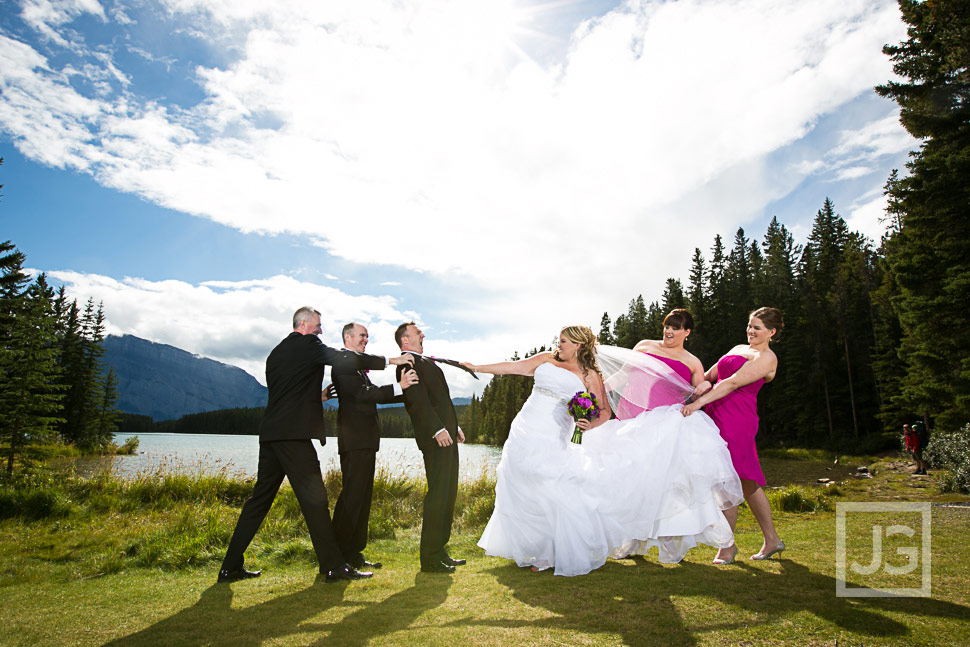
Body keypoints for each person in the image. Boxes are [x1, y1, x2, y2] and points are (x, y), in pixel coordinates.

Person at [467, 325, 743, 576]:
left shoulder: (589, 375)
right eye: (559, 340)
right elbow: (512, 367)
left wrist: (587, 425)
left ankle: (549, 549)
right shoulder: (545, 359)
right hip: (526, 427)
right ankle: (528, 546)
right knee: (519, 478)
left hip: (555, 432)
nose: (558, 344)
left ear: (577, 345)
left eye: (563, 341)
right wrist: (477, 367)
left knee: (551, 483)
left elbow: (604, 412)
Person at [218, 307, 415, 584]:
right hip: (293, 437)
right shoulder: (308, 343)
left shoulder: (276, 353)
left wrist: (316, 397)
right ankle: (333, 565)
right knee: (316, 499)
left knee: (258, 502)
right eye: (319, 325)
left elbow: (286, 392)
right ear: (305, 324)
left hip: (271, 435)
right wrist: (391, 360)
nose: (321, 330)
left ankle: (229, 566)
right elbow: (342, 359)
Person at [682, 306, 784, 564]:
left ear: (771, 332)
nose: (751, 331)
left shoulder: (768, 358)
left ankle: (727, 547)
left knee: (727, 477)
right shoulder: (738, 348)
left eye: (757, 328)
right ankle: (772, 540)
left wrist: (697, 404)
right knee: (747, 482)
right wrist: (703, 384)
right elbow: (713, 375)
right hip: (715, 413)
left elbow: (732, 382)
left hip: (737, 418)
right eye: (750, 326)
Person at [330, 322, 419, 572]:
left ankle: (354, 554)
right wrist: (399, 387)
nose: (365, 340)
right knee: (352, 498)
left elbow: (371, 392)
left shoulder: (356, 366)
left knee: (362, 498)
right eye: (361, 336)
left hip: (365, 441)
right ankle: (339, 557)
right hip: (354, 441)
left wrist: (405, 391)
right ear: (347, 337)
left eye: (367, 337)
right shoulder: (343, 362)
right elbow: (363, 395)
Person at [395, 322, 466, 574]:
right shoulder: (407, 364)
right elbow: (417, 402)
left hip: (446, 435)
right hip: (435, 438)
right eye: (417, 333)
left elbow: (440, 400)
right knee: (438, 494)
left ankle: (440, 549)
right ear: (405, 341)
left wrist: (453, 425)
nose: (422, 335)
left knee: (448, 492)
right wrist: (437, 429)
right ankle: (430, 558)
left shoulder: (425, 362)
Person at [618, 308, 706, 419]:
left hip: (666, 420)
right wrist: (596, 390)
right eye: (667, 326)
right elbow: (622, 375)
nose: (668, 331)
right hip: (630, 412)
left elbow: (697, 398)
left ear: (687, 332)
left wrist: (706, 385)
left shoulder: (693, 362)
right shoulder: (643, 346)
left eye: (675, 328)